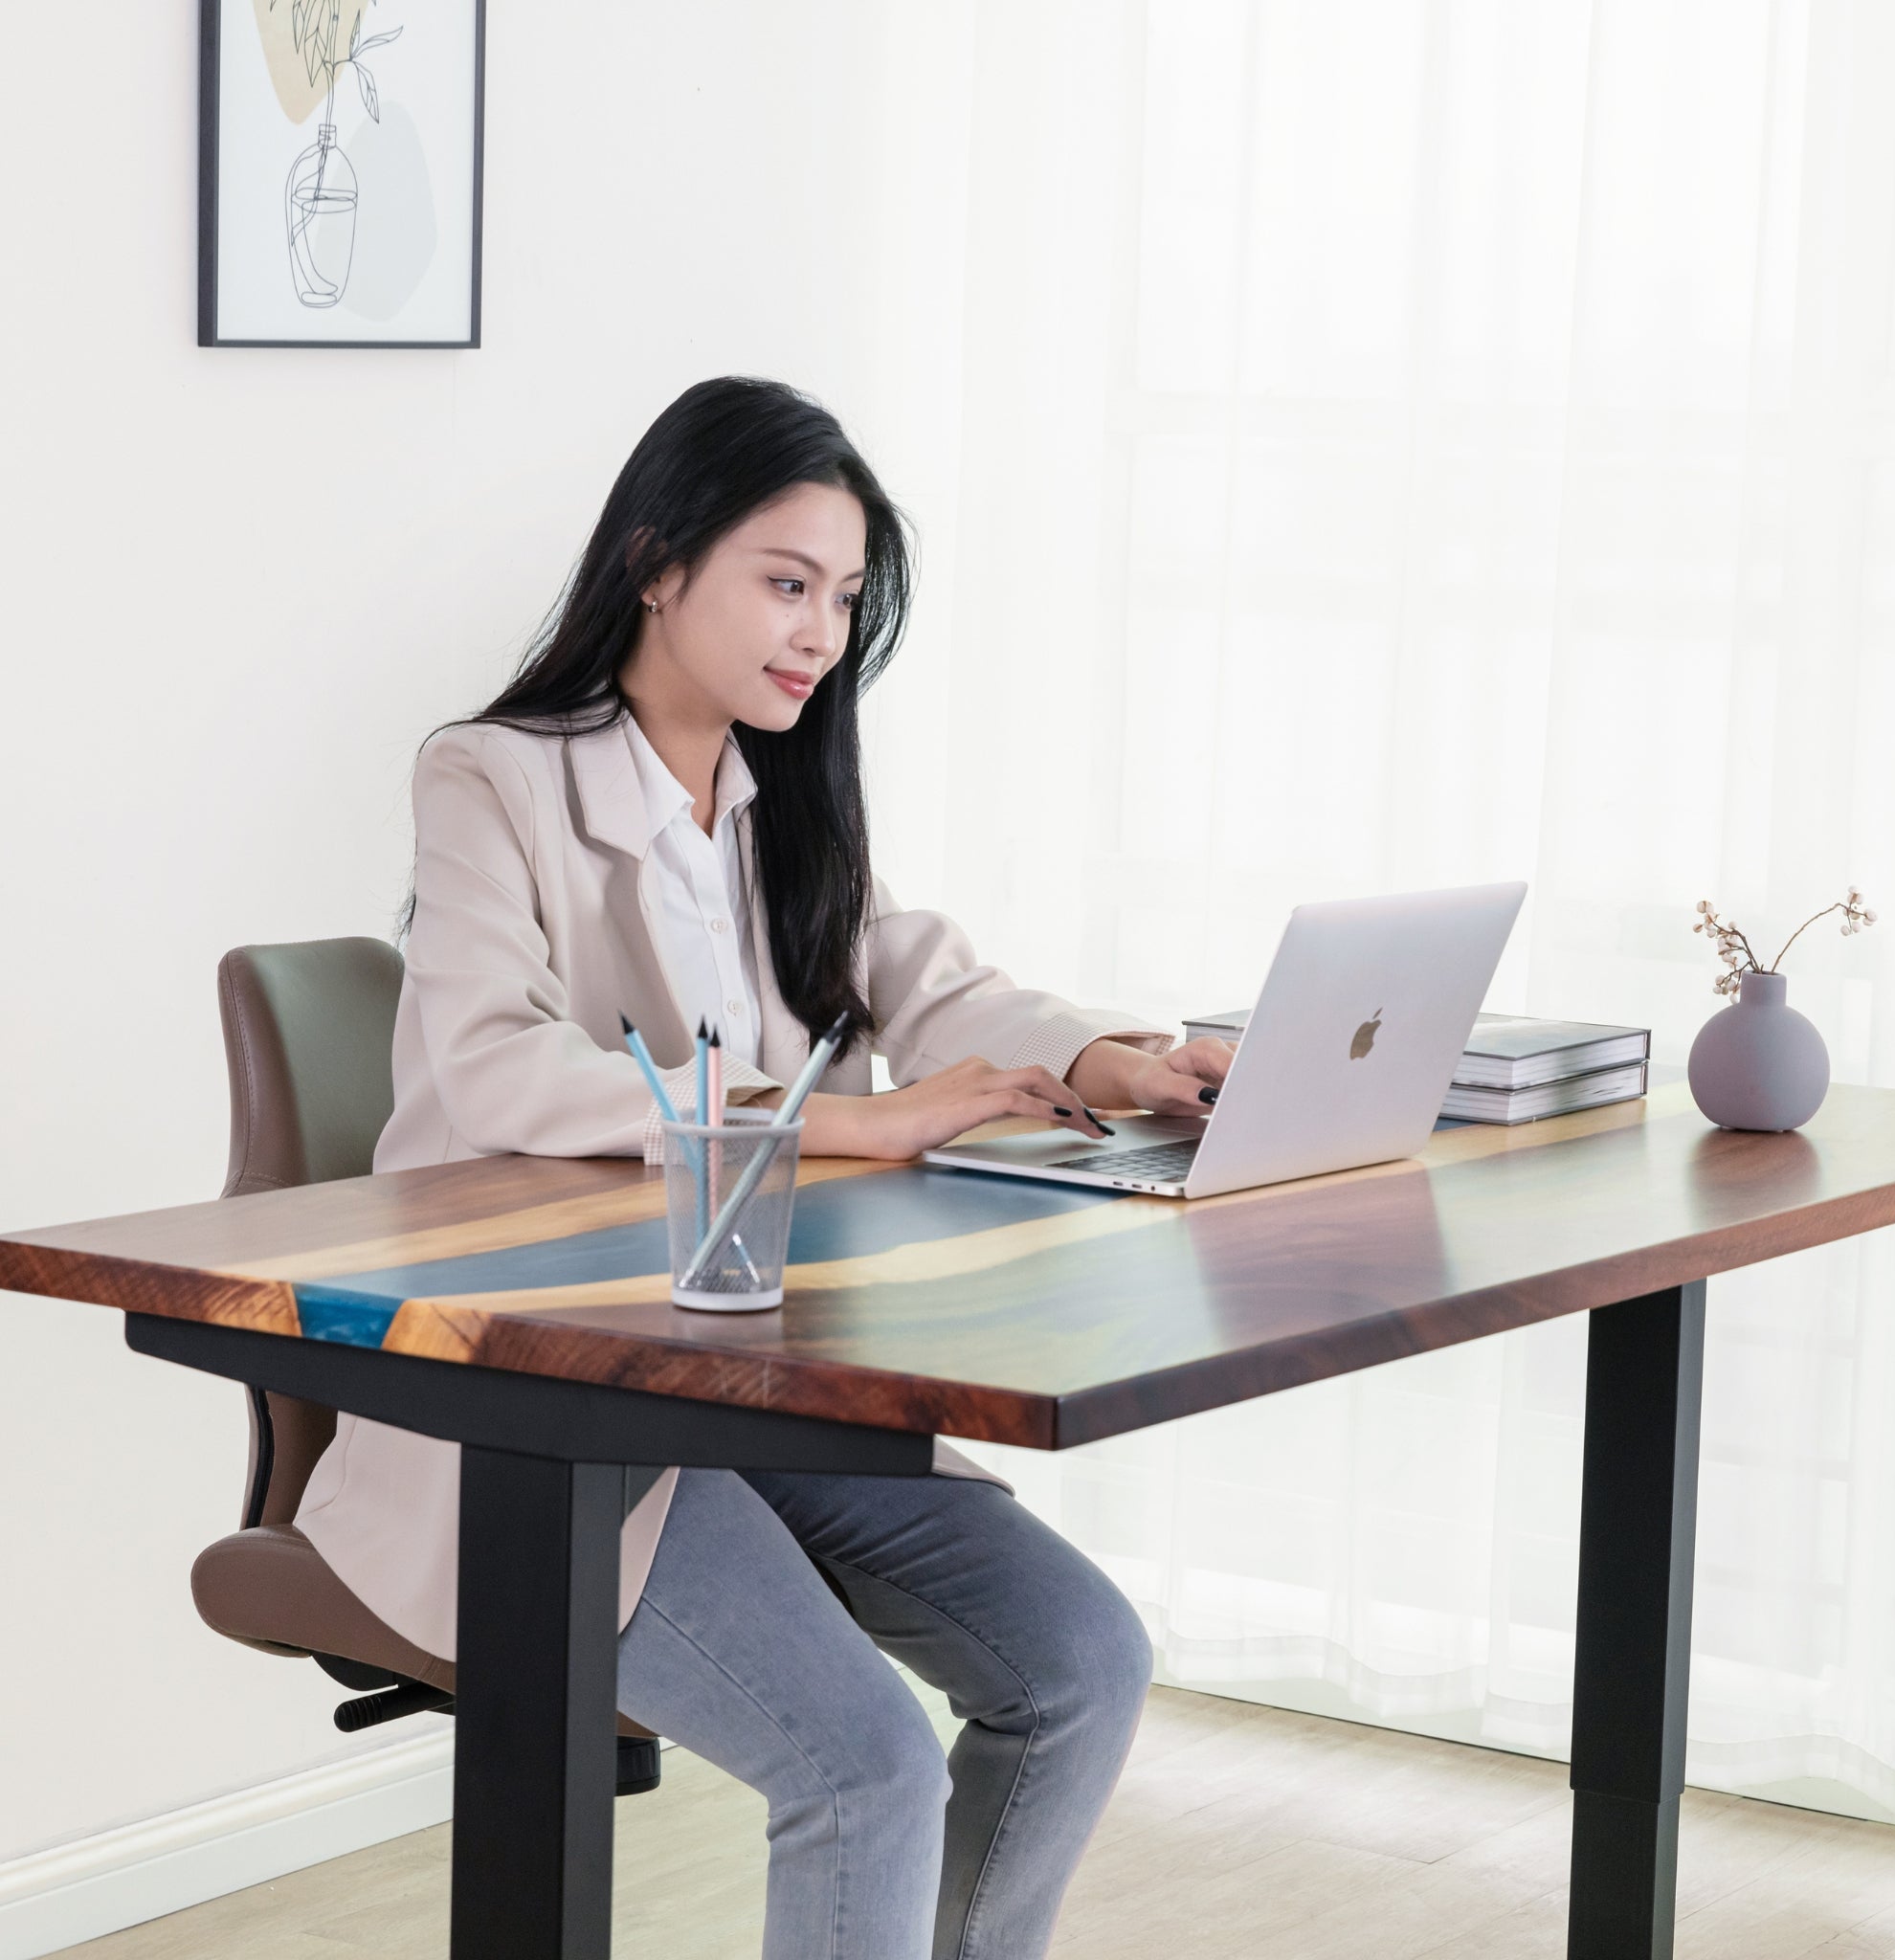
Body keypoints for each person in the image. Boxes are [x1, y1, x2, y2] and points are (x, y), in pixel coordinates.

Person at [294, 375, 1236, 1959]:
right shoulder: (493, 778)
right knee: (865, 1766)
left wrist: (1102, 1057)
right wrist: (825, 1119)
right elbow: (485, 1060)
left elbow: (930, 978)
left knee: (1082, 1661)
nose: (820, 631)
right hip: (543, 1413)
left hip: (754, 1385)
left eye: (846, 597)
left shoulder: (778, 796)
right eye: (785, 583)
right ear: (658, 564)